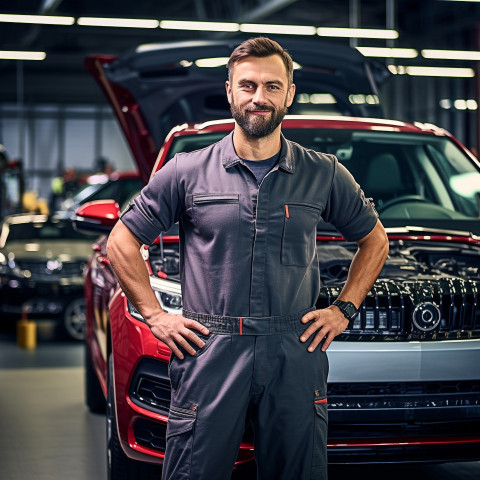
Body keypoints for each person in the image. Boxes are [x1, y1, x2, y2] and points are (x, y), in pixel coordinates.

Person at [107, 37, 389, 480]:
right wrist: (155, 316)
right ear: (230, 91)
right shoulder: (186, 171)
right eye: (249, 85)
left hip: (294, 349)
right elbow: (121, 241)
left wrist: (343, 309)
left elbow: (375, 240)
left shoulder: (324, 172)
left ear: (290, 94)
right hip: (211, 347)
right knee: (194, 472)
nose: (260, 97)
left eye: (273, 86)